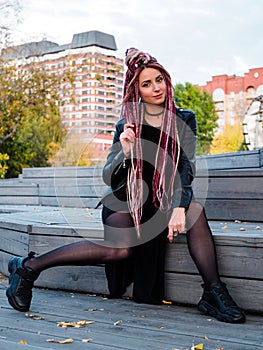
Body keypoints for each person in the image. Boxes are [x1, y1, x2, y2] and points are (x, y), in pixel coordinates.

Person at [6, 48, 245, 324]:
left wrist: (180, 207)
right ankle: (27, 267)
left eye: (159, 80)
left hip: (162, 199)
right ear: (137, 91)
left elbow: (185, 169)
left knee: (195, 210)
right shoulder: (126, 125)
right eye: (147, 84)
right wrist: (127, 151)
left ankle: (213, 291)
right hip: (126, 199)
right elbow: (109, 176)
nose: (156, 88)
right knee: (120, 250)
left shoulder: (183, 118)